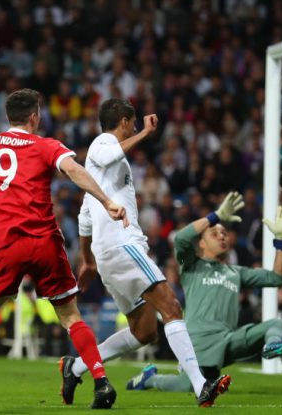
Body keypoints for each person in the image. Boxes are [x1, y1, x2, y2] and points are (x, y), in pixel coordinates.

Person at [0, 89, 127, 409]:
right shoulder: (45, 145)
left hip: (6, 244)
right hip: (44, 242)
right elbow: (74, 170)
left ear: (8, 117)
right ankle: (101, 381)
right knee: (70, 315)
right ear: (34, 117)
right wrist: (107, 201)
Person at [61, 98, 229, 408]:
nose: (135, 127)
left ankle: (76, 367)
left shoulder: (97, 177)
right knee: (172, 306)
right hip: (123, 245)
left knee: (144, 330)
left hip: (107, 254)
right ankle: (201, 385)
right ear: (123, 121)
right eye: (133, 122)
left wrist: (87, 261)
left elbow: (85, 219)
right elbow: (110, 152)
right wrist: (146, 134)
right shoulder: (102, 144)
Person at [126, 195, 282, 393]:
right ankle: (151, 379)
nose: (222, 236)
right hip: (198, 342)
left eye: (224, 233)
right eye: (214, 233)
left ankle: (274, 346)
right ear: (201, 244)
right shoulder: (192, 267)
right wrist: (216, 216)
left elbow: (276, 278)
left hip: (229, 340)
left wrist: (280, 240)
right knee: (187, 385)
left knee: (277, 324)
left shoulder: (236, 272)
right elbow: (181, 238)